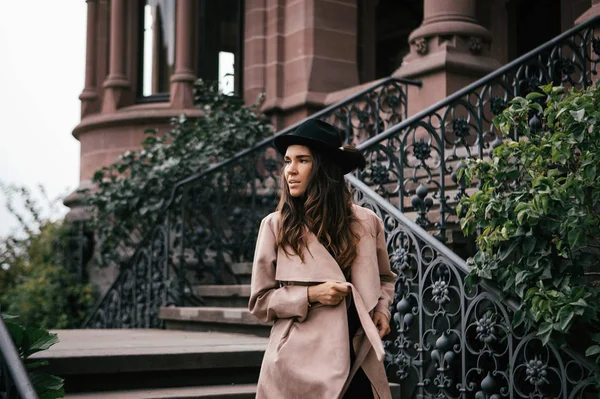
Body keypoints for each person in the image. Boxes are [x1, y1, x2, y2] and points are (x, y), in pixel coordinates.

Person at [248, 119, 397, 398]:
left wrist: (382, 310)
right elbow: (259, 302)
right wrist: (310, 295)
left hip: (357, 354)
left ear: (325, 168)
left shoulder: (367, 222)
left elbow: (385, 278)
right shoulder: (276, 225)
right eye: (287, 161)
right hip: (298, 361)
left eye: (302, 160)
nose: (290, 171)